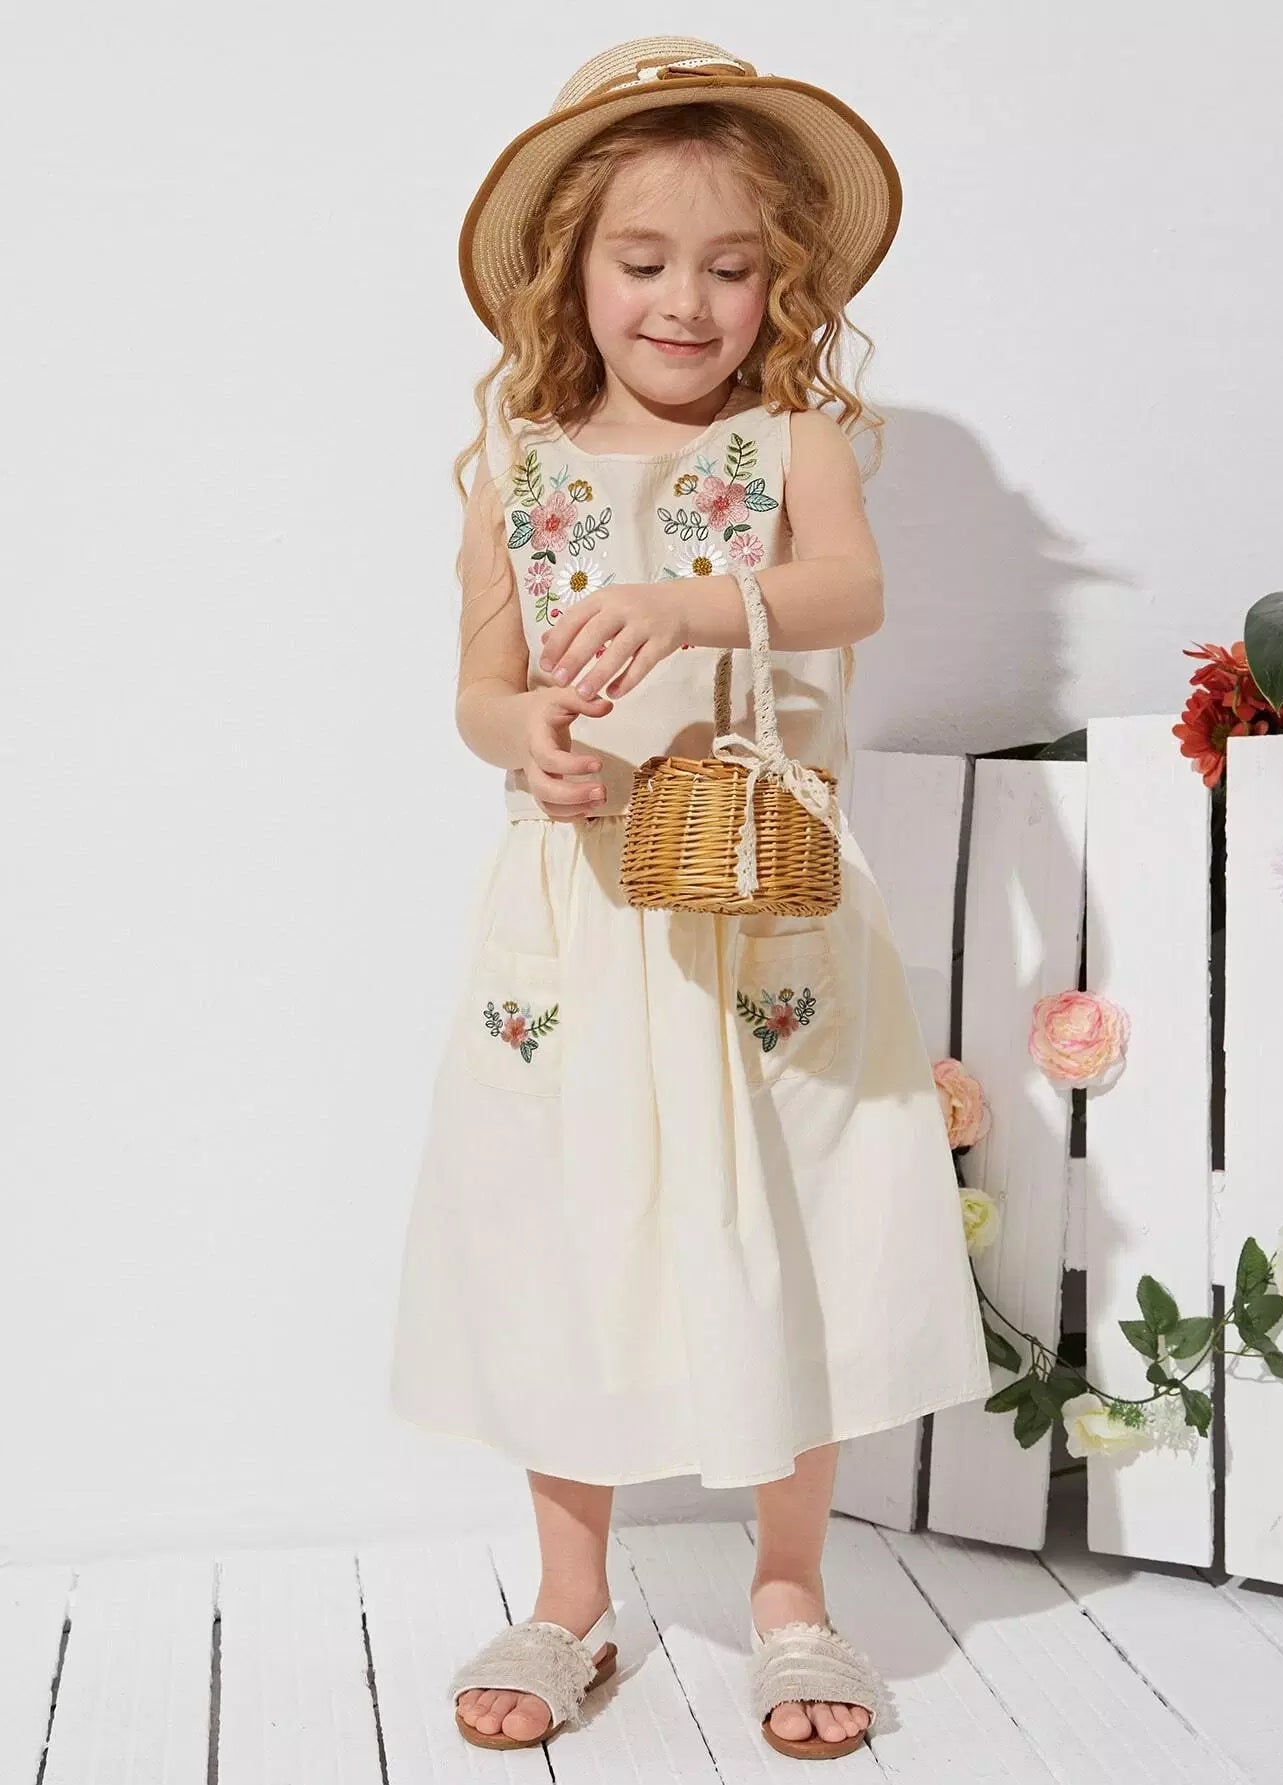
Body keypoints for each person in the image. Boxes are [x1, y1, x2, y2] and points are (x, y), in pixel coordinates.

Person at [389, 34, 992, 1762]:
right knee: (557, 1229)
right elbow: (479, 685)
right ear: (571, 270)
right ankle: (570, 1593)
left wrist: (690, 603)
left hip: (763, 909)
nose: (686, 301)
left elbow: (848, 594)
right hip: (580, 910)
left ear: (778, 283)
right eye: (644, 260)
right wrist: (526, 736)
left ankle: (791, 1590)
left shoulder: (792, 445)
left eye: (731, 268)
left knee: (795, 1221)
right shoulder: (516, 467)